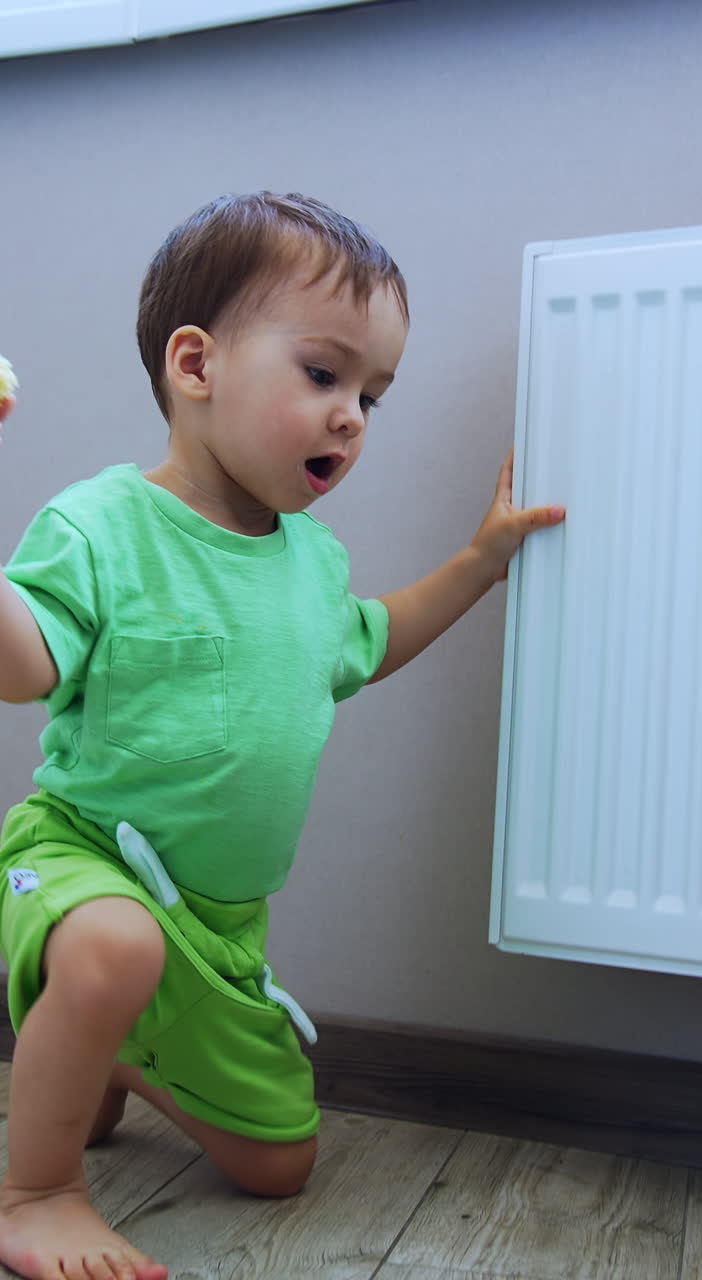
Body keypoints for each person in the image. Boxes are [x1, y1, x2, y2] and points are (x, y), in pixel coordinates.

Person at [0, 191, 565, 1280]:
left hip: (219, 925)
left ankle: (121, 1048)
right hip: (81, 859)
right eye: (324, 374)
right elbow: (22, 668)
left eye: (372, 395)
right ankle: (37, 1188)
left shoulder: (312, 561)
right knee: (115, 945)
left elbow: (369, 640)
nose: (352, 413)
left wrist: (479, 563)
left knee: (280, 1164)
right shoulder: (101, 524)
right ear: (196, 365)